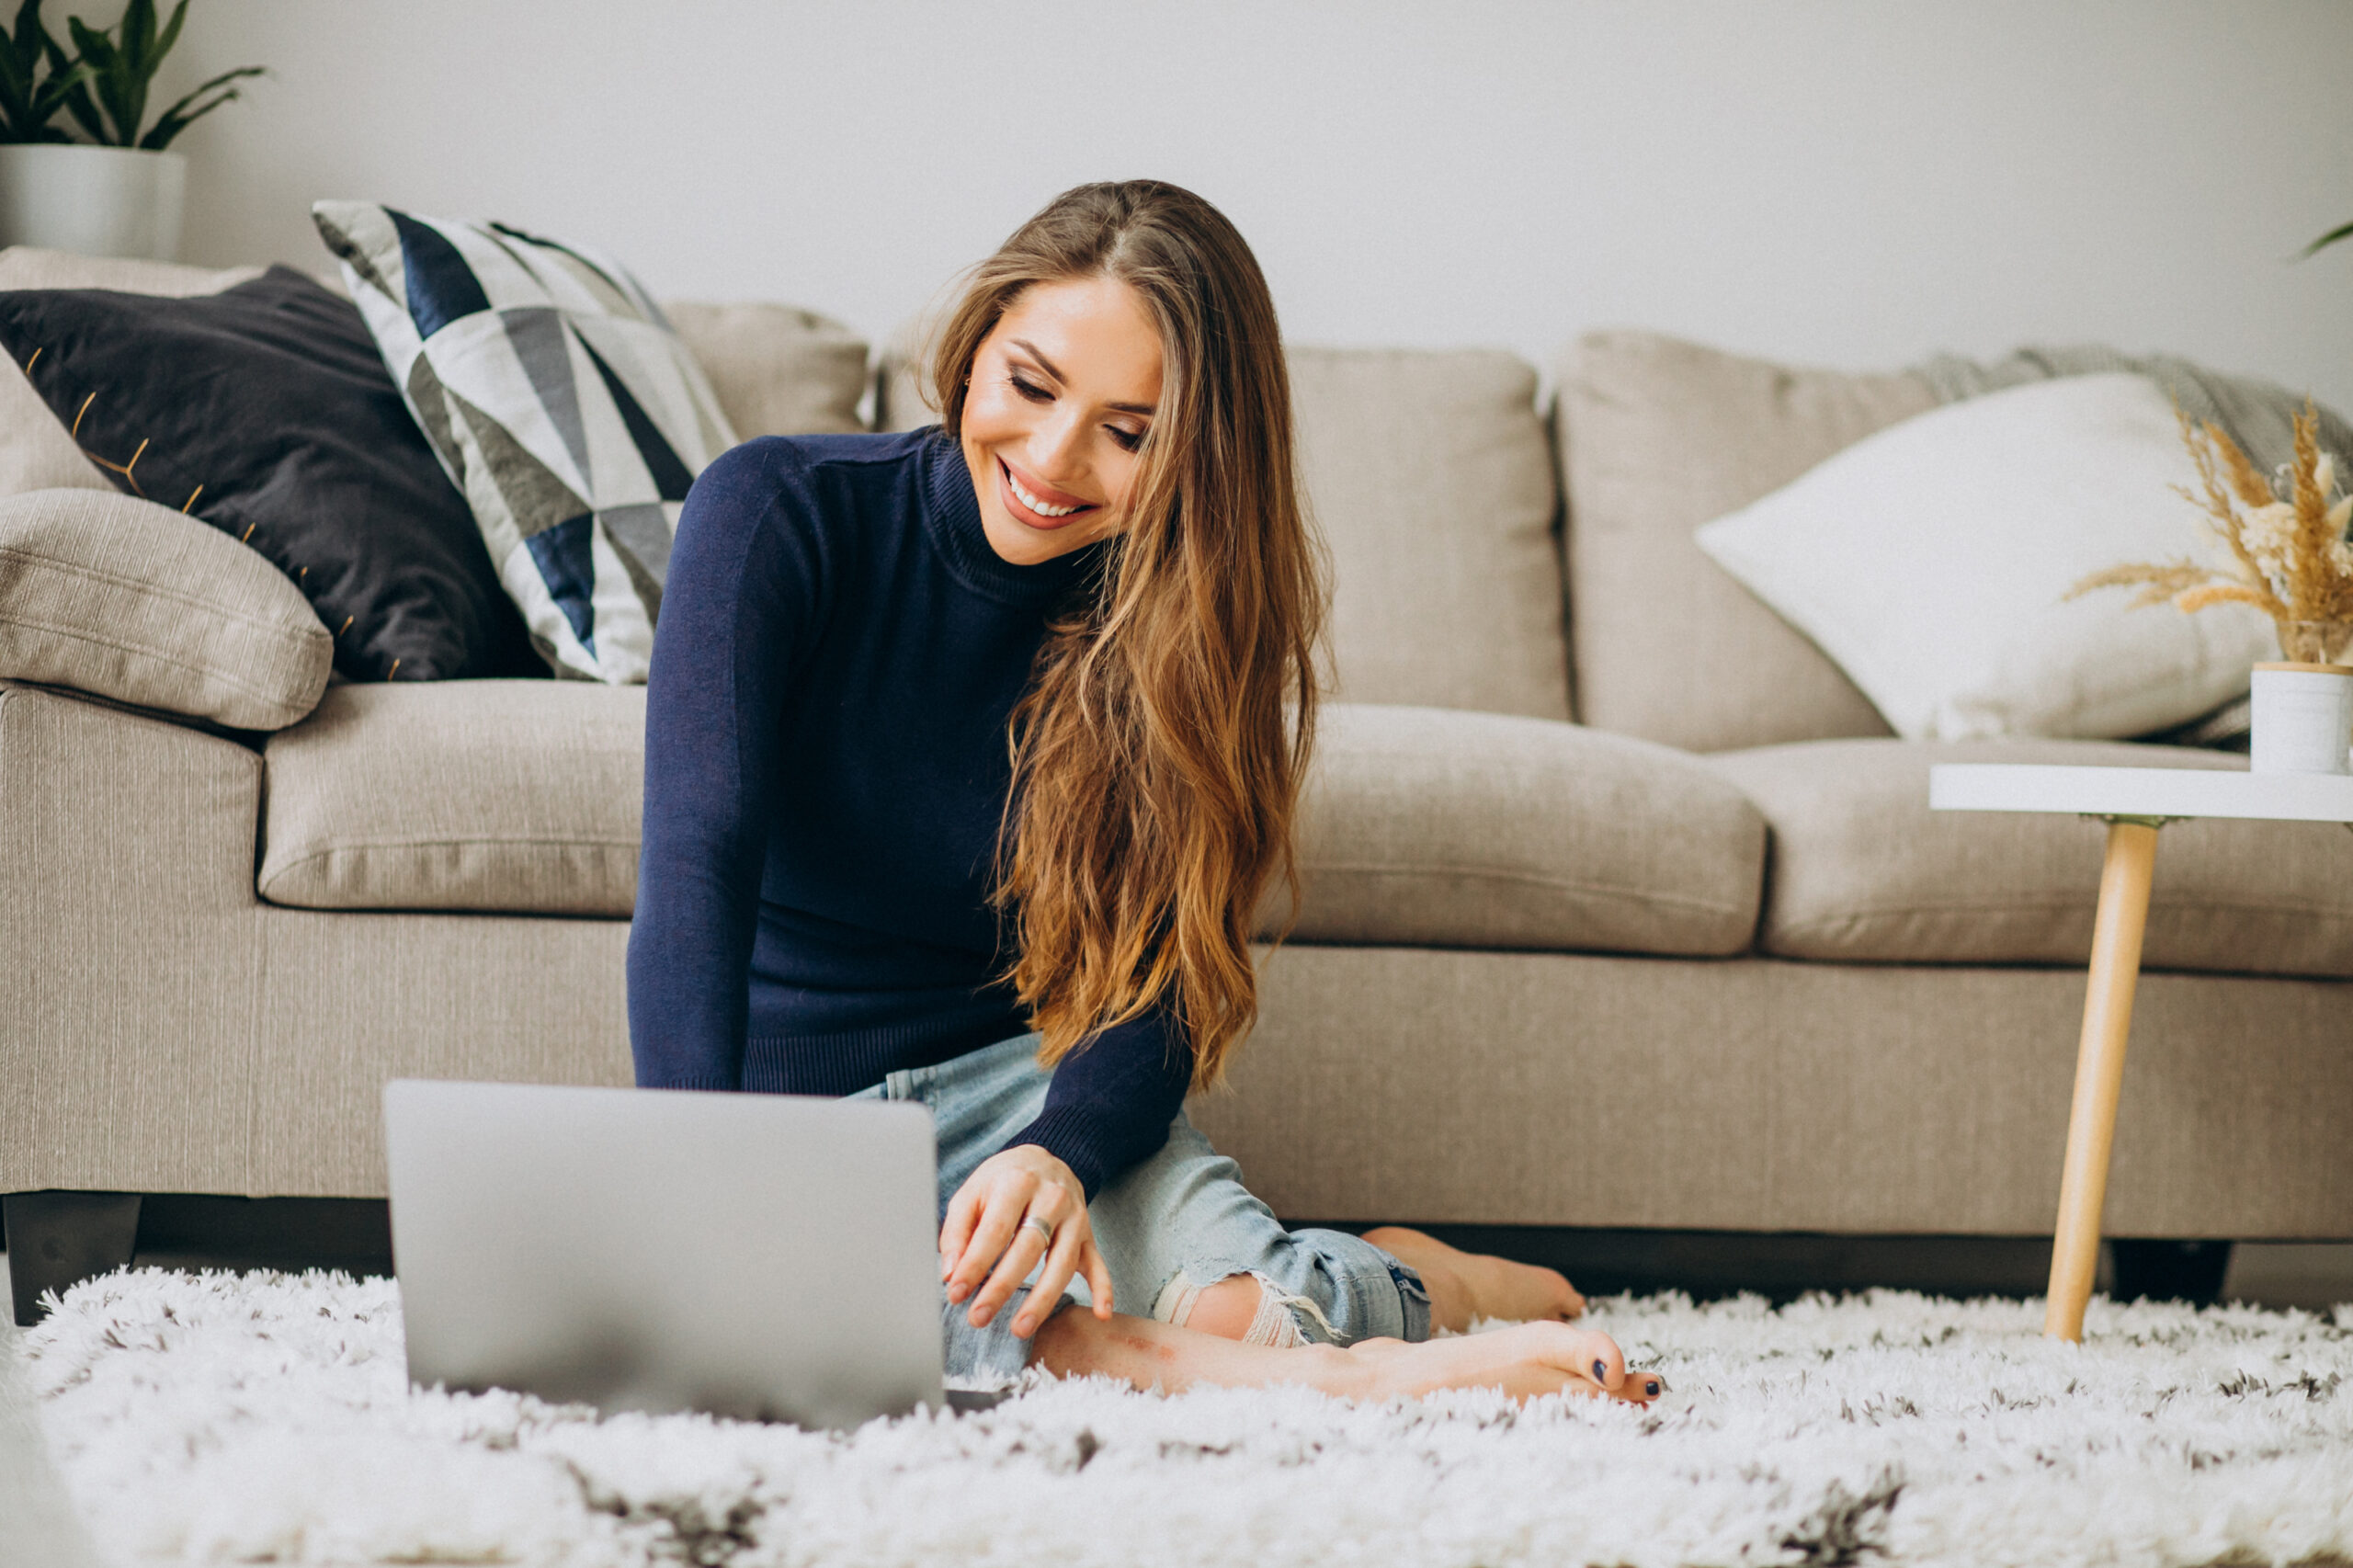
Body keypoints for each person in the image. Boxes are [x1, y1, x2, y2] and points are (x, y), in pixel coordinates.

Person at [629, 179, 1658, 1406]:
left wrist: (1060, 1152)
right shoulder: (774, 513)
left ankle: (1422, 1281)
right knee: (939, 1334)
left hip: (1023, 1082)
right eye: (1030, 383)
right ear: (972, 347)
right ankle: (1376, 1375)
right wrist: (696, 1175)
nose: (1053, 461)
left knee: (1258, 1317)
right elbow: (700, 857)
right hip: (795, 1106)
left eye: (1129, 432)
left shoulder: (1182, 629)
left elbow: (1159, 972)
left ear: (1195, 455)